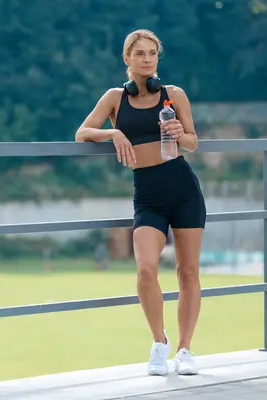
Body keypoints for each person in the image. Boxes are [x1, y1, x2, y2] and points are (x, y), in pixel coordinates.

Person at [75, 29, 206, 376]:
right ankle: (159, 343)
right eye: (140, 54)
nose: (148, 59)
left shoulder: (174, 95)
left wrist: (182, 134)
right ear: (127, 59)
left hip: (183, 189)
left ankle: (185, 349)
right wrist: (113, 132)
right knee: (146, 268)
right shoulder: (115, 98)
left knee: (188, 272)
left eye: (153, 53)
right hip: (147, 194)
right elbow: (82, 132)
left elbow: (193, 142)